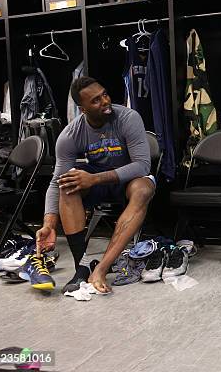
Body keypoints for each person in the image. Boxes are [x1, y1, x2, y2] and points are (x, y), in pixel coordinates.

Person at [34, 76, 155, 294]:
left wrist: (95, 179)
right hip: (99, 181)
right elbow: (55, 181)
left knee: (143, 189)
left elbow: (142, 166)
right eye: (96, 101)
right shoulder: (70, 134)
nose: (105, 101)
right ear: (83, 109)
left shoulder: (128, 118)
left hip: (130, 179)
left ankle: (101, 268)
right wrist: (49, 224)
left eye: (105, 94)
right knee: (68, 182)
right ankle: (81, 267)